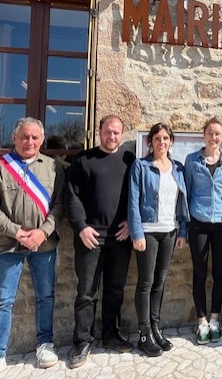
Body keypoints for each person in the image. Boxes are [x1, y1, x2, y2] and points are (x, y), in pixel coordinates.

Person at [0, 117, 65, 379]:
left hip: (43, 243)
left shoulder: (54, 167)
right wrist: (16, 231)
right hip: (7, 245)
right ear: (14, 138)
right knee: (3, 300)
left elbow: (60, 205)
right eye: (24, 136)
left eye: (35, 137)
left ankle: (45, 345)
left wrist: (43, 231)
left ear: (42, 140)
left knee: (45, 296)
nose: (30, 141)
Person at [66, 115, 136, 368]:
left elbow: (137, 195)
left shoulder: (129, 161)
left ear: (122, 134)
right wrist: (81, 227)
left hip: (120, 237)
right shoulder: (83, 160)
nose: (112, 137)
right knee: (86, 293)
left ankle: (111, 334)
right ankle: (82, 341)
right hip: (90, 238)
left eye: (116, 133)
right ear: (99, 131)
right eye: (108, 132)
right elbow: (71, 198)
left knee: (116, 290)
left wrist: (130, 222)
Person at [127, 123, 189, 356]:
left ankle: (155, 328)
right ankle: (144, 334)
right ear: (150, 142)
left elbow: (182, 202)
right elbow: (133, 201)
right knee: (146, 282)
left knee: (160, 282)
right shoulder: (141, 166)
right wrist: (137, 233)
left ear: (171, 141)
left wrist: (182, 231)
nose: (161, 142)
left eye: (165, 138)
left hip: (169, 231)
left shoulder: (178, 168)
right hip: (148, 231)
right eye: (157, 138)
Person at [184, 117, 222, 345]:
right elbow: (186, 192)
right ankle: (202, 321)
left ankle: (215, 319)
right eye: (210, 133)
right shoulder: (192, 160)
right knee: (200, 273)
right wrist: (184, 225)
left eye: (218, 134)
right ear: (203, 135)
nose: (214, 137)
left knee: (220, 273)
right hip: (199, 221)